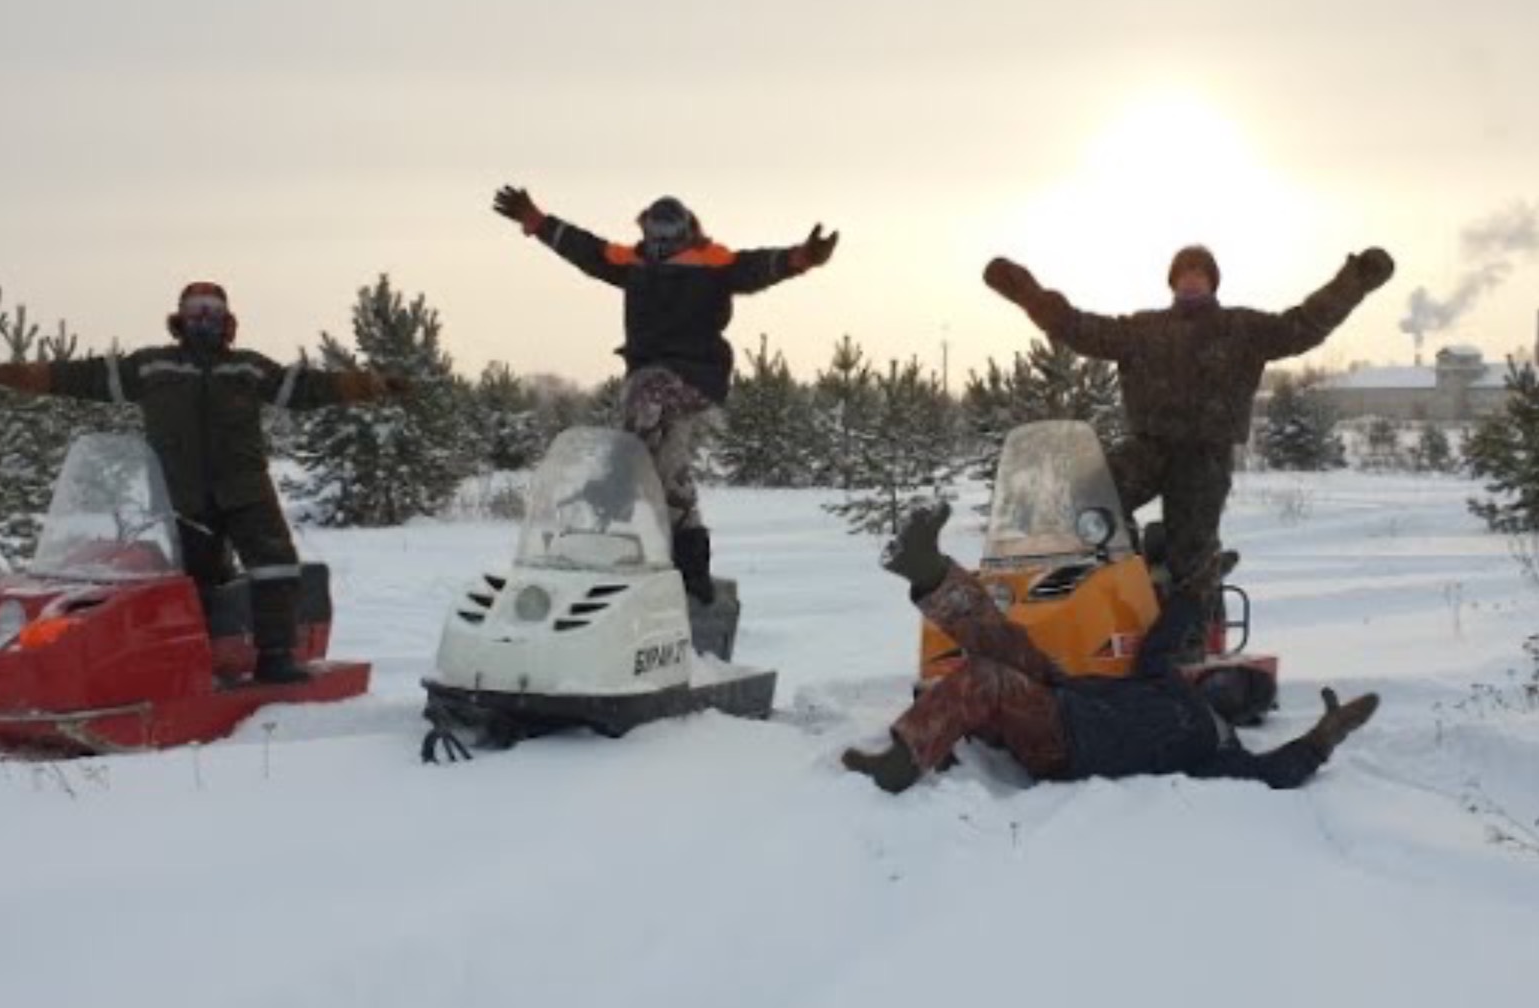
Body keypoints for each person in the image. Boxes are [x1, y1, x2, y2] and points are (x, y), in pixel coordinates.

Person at [0, 281, 404, 685]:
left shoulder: (247, 368)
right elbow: (81, 377)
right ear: (180, 318)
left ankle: (276, 657)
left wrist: (372, 384)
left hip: (246, 490)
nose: (204, 319)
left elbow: (309, 387)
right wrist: (7, 374)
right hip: (180, 497)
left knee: (275, 566)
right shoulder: (152, 366)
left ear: (227, 319)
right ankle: (196, 660)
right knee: (192, 583)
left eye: (212, 310)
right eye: (195, 310)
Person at [982, 244, 1395, 653]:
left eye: (1200, 272)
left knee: (1191, 553)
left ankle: (1188, 638)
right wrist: (1025, 291)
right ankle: (1122, 591)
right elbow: (1077, 327)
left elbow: (1305, 324)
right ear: (1173, 282)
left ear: (1212, 282)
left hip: (1204, 456)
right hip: (1149, 448)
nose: (1191, 278)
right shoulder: (1143, 331)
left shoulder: (1242, 329)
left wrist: (1354, 281)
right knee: (1090, 500)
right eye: (1184, 272)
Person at [841, 506, 1379, 794]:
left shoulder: (1217, 757)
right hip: (1065, 696)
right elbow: (1163, 643)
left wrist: (1323, 738)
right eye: (1228, 680)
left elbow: (1275, 774)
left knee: (988, 676)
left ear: (1239, 712)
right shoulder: (1171, 684)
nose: (1225, 686)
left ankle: (901, 763)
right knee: (1008, 642)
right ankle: (929, 572)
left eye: (1236, 689)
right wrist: (1198, 592)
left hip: (1067, 747)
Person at [492, 185, 838, 603]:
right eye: (655, 234)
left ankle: (615, 487)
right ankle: (691, 577)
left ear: (686, 231)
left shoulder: (712, 262)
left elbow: (758, 267)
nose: (661, 243)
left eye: (669, 234)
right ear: (646, 230)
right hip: (648, 377)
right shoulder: (633, 262)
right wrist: (538, 222)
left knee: (645, 393)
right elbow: (587, 250)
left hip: (695, 375)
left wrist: (801, 257)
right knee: (667, 471)